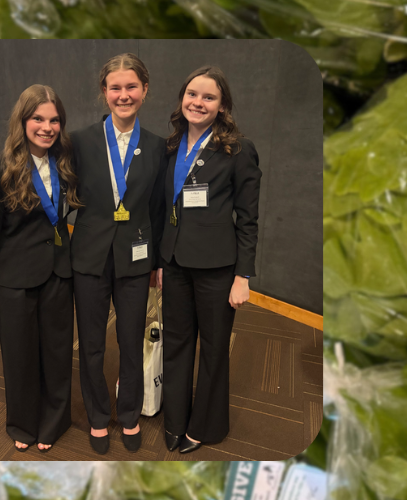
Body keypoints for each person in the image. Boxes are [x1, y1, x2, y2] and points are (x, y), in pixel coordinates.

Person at [160, 66, 261, 454]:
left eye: (208, 97)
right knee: (176, 341)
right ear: (181, 99)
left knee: (215, 348)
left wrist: (243, 276)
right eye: (191, 94)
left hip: (218, 268)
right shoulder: (172, 145)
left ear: (222, 106)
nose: (197, 102)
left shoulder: (238, 149)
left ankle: (205, 426)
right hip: (174, 262)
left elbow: (248, 218)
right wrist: (158, 260)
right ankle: (175, 418)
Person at [69, 53, 166, 455]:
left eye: (131, 87)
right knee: (90, 343)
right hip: (89, 256)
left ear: (145, 90)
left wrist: (157, 260)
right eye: (115, 88)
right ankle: (96, 417)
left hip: (135, 258)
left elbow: (159, 208)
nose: (123, 95)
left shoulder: (159, 146)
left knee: (130, 340)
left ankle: (127, 416)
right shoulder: (79, 141)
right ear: (103, 92)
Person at [0, 84, 81, 453]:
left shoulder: (65, 164)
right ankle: (22, 423)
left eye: (54, 120)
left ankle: (54, 422)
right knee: (20, 356)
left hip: (58, 273)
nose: (47, 127)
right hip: (15, 280)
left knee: (56, 352)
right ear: (22, 121)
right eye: (38, 118)